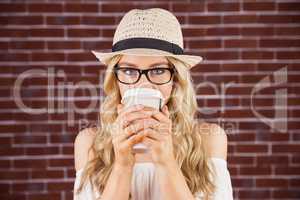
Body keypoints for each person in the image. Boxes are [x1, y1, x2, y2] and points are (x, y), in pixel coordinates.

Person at [73, 8, 233, 200]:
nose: (143, 84)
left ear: (175, 79)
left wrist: (166, 160)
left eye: (157, 71)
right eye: (129, 71)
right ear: (115, 79)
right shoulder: (90, 143)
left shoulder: (209, 140)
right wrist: (123, 164)